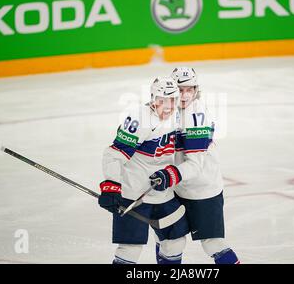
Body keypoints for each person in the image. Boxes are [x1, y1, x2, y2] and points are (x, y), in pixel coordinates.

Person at [151, 67, 240, 264]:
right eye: (179, 89)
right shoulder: (166, 109)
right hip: (175, 188)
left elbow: (195, 165)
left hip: (202, 189)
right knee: (169, 241)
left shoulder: (196, 115)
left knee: (212, 243)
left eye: (189, 89)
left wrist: (168, 176)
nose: (184, 95)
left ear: (196, 89)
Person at [99, 77, 189, 264]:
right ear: (153, 98)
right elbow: (114, 155)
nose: (168, 106)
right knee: (130, 249)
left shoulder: (179, 116)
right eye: (162, 100)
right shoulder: (140, 119)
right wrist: (111, 185)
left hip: (163, 193)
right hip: (134, 193)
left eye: (172, 99)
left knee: (175, 242)